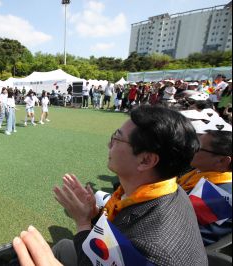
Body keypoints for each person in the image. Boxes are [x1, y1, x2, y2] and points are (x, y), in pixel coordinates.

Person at [14, 105, 207, 266]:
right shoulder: (172, 191)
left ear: (146, 160)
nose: (109, 144)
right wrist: (93, 215)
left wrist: (82, 223)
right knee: (64, 246)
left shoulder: (150, 251)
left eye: (117, 138)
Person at [178, 130, 232, 246]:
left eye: (198, 147)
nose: (191, 149)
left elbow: (175, 228)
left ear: (222, 161)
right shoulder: (201, 171)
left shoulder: (219, 196)